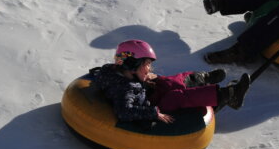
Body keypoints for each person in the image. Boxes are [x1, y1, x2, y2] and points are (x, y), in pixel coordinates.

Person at [90, 39, 251, 124]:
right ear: (132, 65)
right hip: (151, 106)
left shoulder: (121, 73)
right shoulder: (125, 88)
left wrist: (146, 80)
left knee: (169, 81)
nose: (149, 68)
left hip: (146, 93)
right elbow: (124, 112)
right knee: (176, 97)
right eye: (146, 64)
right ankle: (227, 95)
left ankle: (202, 78)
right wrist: (153, 113)